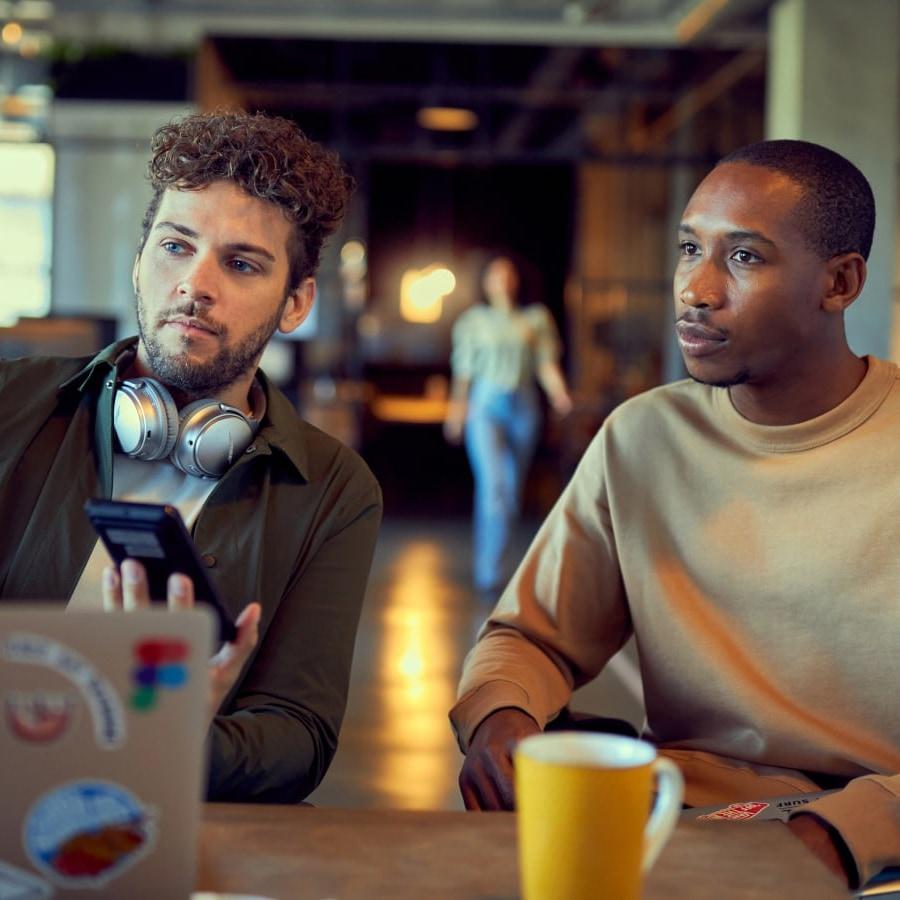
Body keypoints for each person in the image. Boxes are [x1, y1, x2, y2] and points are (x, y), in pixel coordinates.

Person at [450, 140, 900, 889]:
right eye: (690, 248)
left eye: (745, 258)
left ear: (841, 282)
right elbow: (531, 637)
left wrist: (842, 833)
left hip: (877, 844)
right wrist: (502, 716)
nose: (696, 288)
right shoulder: (642, 438)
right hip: (682, 824)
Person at [0, 112, 383, 803]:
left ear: (295, 304)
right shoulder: (9, 404)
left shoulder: (332, 487)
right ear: (138, 260)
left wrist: (167, 737)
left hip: (159, 830)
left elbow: (299, 739)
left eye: (240, 264)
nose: (195, 284)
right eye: (176, 246)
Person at [444, 253, 572, 598]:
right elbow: (464, 373)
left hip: (524, 405)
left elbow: (546, 364)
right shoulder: (473, 321)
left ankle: (497, 561)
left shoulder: (535, 318)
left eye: (508, 274)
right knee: (495, 484)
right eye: (495, 275)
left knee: (511, 490)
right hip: (486, 405)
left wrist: (560, 396)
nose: (502, 280)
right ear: (485, 281)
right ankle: (489, 572)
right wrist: (457, 413)